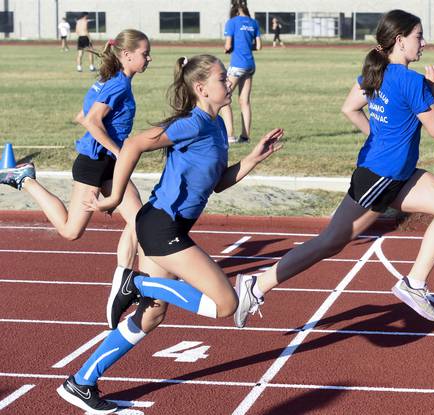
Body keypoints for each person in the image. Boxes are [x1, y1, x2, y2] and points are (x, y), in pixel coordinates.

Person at [55, 54, 283, 414]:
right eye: (222, 79)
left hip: (166, 226)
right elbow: (132, 145)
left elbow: (217, 184)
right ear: (201, 88)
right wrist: (114, 196)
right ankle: (138, 284)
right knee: (226, 303)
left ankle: (81, 381)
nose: (229, 83)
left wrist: (253, 159)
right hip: (161, 225)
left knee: (151, 316)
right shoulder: (190, 123)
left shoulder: (217, 126)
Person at [233, 9, 434, 328]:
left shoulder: (376, 71)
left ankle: (414, 284)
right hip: (380, 178)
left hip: (396, 174)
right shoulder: (414, 82)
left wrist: (380, 136)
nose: (423, 43)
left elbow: (350, 108)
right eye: (418, 37)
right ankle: (256, 285)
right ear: (400, 41)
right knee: (330, 242)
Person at [0, 29, 151, 303]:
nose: (149, 58)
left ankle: (125, 279)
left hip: (107, 163)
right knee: (71, 231)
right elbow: (90, 120)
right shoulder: (117, 84)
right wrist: (119, 150)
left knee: (138, 219)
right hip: (94, 164)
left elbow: (80, 115)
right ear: (127, 55)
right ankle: (25, 179)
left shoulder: (109, 80)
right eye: (145, 54)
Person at [221, 1, 262, 144]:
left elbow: (228, 45)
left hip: (237, 65)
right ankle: (245, 137)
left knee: (223, 97)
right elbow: (258, 46)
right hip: (250, 65)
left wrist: (228, 49)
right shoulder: (254, 23)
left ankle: (230, 136)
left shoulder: (232, 22)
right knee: (244, 101)